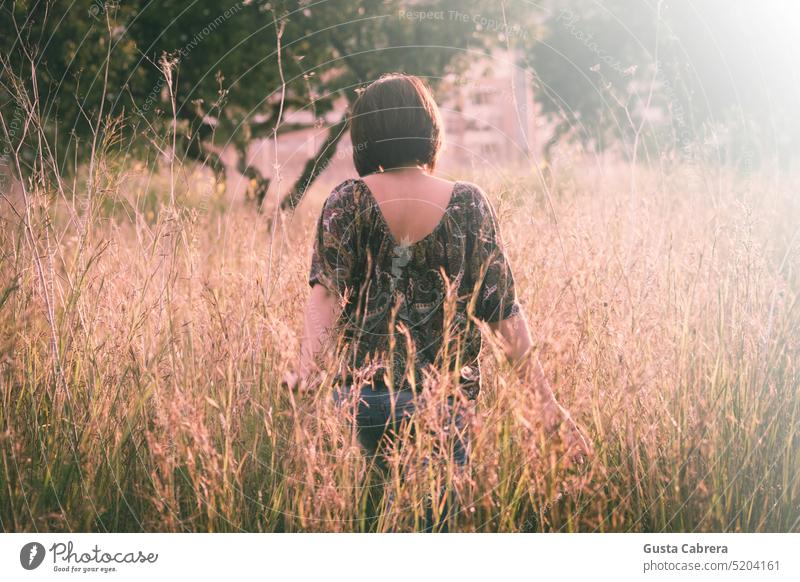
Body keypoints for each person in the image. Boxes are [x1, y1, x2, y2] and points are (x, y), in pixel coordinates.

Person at [288, 73, 592, 530]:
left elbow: (326, 294)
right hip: (445, 404)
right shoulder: (469, 203)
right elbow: (503, 309)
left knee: (365, 526)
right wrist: (544, 401)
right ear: (429, 130)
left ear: (364, 136)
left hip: (361, 401)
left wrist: (308, 368)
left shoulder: (346, 201)